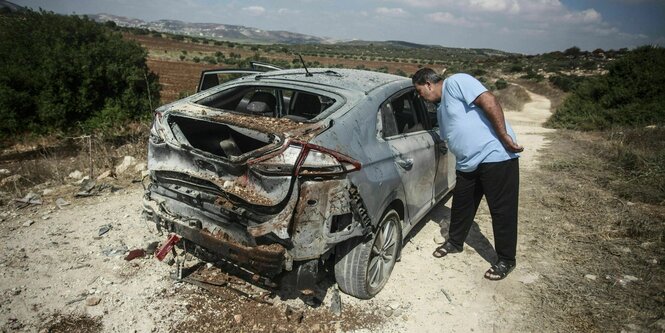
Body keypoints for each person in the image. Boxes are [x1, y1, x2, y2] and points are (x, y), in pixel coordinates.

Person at [412, 68, 523, 280]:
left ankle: (506, 260)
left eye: (419, 91)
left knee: (501, 211)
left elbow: (488, 100)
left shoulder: (456, 82)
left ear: (428, 83)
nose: (420, 96)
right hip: (467, 164)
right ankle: (455, 242)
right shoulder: (441, 109)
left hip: (495, 156)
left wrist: (504, 136)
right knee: (462, 205)